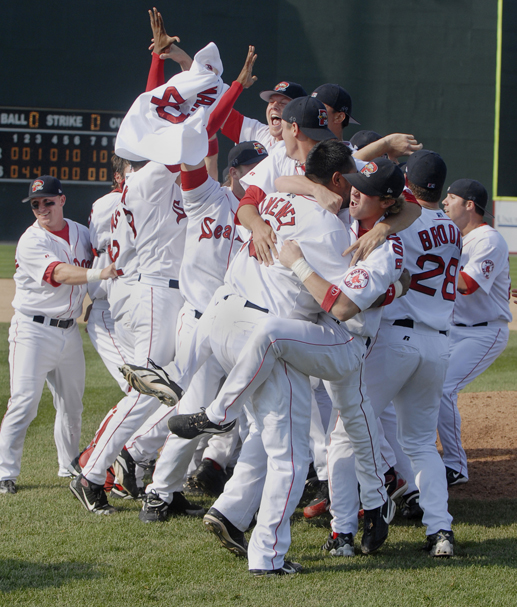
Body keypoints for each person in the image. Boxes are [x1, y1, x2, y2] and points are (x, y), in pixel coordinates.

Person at [0, 176, 117, 494]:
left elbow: (99, 261)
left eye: (48, 201)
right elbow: (60, 273)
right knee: (24, 402)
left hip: (67, 333)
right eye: (36, 204)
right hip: (32, 332)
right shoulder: (31, 240)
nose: (42, 208)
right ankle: (4, 472)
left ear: (62, 200)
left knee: (72, 404)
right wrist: (98, 273)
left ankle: (68, 466)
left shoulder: (81, 232)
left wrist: (95, 298)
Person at [438, 179, 512, 485]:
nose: (444, 202)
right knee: (421, 385)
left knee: (443, 388)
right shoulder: (457, 237)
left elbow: (467, 285)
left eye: (451, 197)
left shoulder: (488, 240)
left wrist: (429, 271)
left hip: (484, 332)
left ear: (470, 205)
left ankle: (455, 466)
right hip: (453, 331)